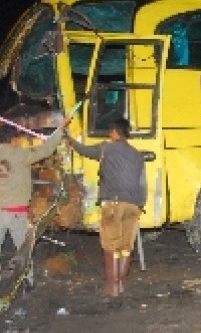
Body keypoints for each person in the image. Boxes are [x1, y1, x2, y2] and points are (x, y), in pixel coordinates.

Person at [0, 111, 65, 298]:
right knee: (24, 249)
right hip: (16, 213)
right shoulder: (20, 154)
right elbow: (46, 149)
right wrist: (60, 129)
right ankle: (27, 282)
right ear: (13, 139)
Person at [66, 118, 145, 297]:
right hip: (133, 205)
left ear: (116, 132)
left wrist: (69, 140)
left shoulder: (107, 148)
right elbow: (142, 183)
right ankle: (121, 284)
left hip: (113, 203)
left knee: (111, 247)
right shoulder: (137, 154)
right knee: (125, 247)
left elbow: (84, 150)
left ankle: (112, 286)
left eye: (110, 132)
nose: (109, 136)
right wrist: (139, 204)